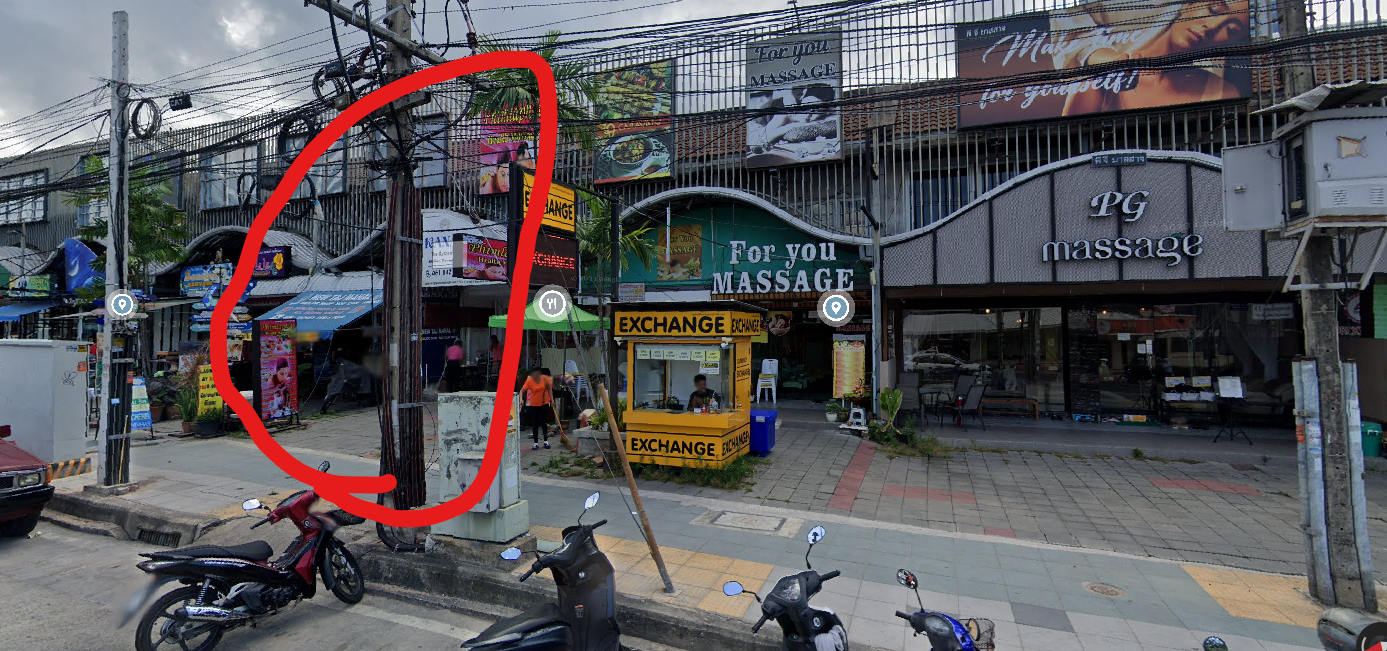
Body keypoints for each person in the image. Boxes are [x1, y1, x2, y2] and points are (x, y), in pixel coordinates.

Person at [1060, 0, 1250, 116]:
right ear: (1189, 4)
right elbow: (1072, 153)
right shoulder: (1100, 76)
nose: (1212, 26)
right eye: (1214, 9)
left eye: (1231, 30)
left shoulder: (1222, 94)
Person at [521, 368, 553, 450]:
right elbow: (521, 391)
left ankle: (546, 441)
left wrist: (552, 400)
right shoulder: (530, 380)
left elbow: (549, 390)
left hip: (544, 403)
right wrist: (521, 399)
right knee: (535, 423)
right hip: (534, 404)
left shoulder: (545, 379)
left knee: (543, 422)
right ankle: (535, 443)